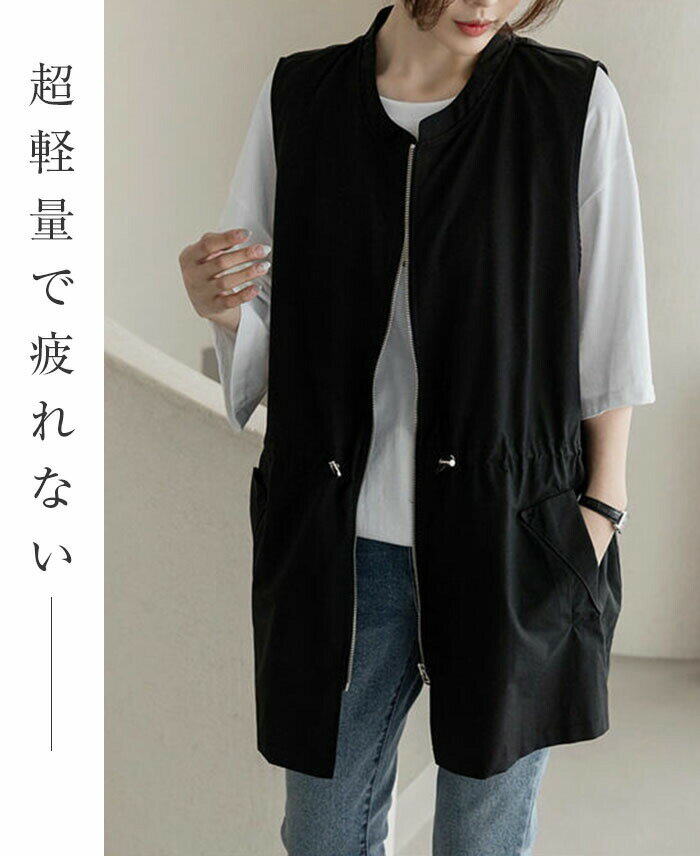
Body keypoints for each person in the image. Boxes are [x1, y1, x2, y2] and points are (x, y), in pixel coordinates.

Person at [179, 2, 655, 853]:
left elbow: (610, 317)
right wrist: (215, 300)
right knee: (323, 836)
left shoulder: (571, 101)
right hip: (343, 542)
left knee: (483, 839)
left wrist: (601, 510)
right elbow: (262, 301)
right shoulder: (302, 96)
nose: (486, 5)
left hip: (514, 534)